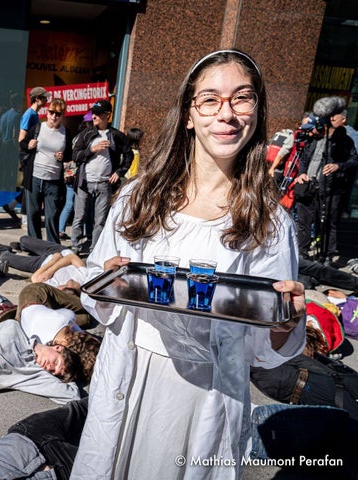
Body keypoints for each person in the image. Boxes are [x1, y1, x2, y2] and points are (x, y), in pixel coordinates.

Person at [71, 50, 307, 479]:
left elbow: (265, 351)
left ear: (257, 110)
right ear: (188, 115)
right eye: (210, 100)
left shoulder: (270, 224)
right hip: (130, 370)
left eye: (242, 98)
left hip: (207, 393)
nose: (228, 114)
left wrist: (284, 325)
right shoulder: (138, 196)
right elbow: (93, 285)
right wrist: (108, 280)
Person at [293, 106, 358, 263]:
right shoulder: (312, 140)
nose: (311, 132)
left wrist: (338, 166)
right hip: (308, 186)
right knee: (304, 222)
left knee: (328, 224)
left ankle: (326, 257)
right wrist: (301, 173)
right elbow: (304, 160)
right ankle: (302, 254)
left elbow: (354, 160)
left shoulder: (345, 140)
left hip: (331, 189)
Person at [70, 99, 132, 255]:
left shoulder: (117, 135)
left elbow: (128, 154)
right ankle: (75, 246)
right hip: (85, 182)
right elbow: (76, 156)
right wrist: (92, 149)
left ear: (107, 115)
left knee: (100, 220)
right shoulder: (86, 134)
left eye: (98, 113)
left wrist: (119, 172)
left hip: (104, 183)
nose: (94, 116)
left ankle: (94, 250)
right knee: (79, 216)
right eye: (93, 113)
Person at [20, 97, 72, 244]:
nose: (54, 116)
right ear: (47, 113)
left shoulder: (65, 133)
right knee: (33, 214)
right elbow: (22, 144)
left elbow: (70, 154)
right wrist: (29, 145)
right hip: (35, 177)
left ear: (62, 115)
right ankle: (35, 245)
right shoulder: (38, 128)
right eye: (51, 112)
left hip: (54, 181)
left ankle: (52, 246)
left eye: (58, 114)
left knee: (51, 215)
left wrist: (63, 157)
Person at [2, 87, 49, 223]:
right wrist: (27, 150)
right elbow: (21, 137)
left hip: (31, 155)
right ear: (37, 99)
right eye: (44, 97)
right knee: (29, 186)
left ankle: (11, 206)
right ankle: (25, 220)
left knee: (30, 186)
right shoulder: (29, 114)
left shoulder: (34, 114)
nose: (47, 100)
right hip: (28, 155)